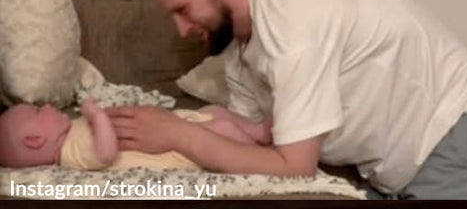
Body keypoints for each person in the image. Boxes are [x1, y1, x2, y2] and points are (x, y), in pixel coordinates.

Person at [105, 0, 467, 199]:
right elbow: (255, 141)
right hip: (396, 163)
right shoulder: (242, 46)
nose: (180, 30)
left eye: (183, 10)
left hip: (451, 140)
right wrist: (197, 125)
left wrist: (179, 135)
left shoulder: (293, 27)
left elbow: (293, 166)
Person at [0, 98, 268, 170]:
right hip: (176, 150)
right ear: (35, 141)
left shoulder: (70, 131)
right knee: (223, 129)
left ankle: (257, 131)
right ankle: (261, 155)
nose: (46, 106)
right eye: (37, 111)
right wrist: (97, 116)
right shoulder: (70, 152)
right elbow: (105, 153)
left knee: (213, 111)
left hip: (170, 128)